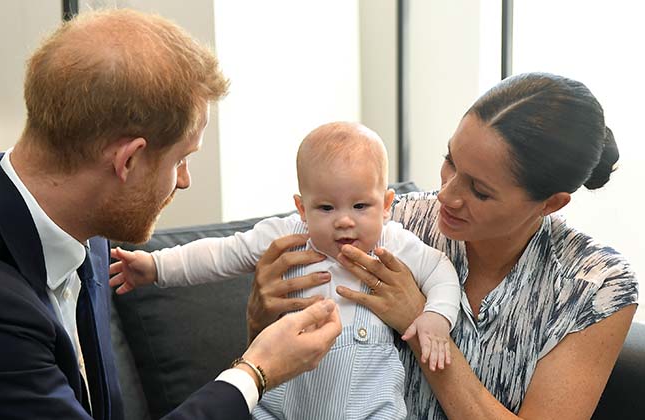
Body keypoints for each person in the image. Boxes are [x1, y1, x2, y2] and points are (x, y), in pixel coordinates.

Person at [0, 9, 342, 420]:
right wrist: (255, 372)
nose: (184, 180)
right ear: (129, 160)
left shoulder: (89, 229)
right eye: (181, 160)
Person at [245, 73, 639, 419]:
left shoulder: (595, 287)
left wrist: (420, 325)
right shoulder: (389, 223)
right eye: (450, 162)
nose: (447, 196)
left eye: (479, 191)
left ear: (550, 203)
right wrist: (260, 318)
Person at [109, 121, 461, 419]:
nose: (343, 221)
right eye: (325, 207)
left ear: (385, 205)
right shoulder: (287, 235)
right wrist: (155, 266)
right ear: (302, 208)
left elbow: (441, 272)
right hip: (284, 407)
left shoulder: (394, 243)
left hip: (370, 408)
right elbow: (221, 254)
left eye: (360, 205)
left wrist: (435, 318)